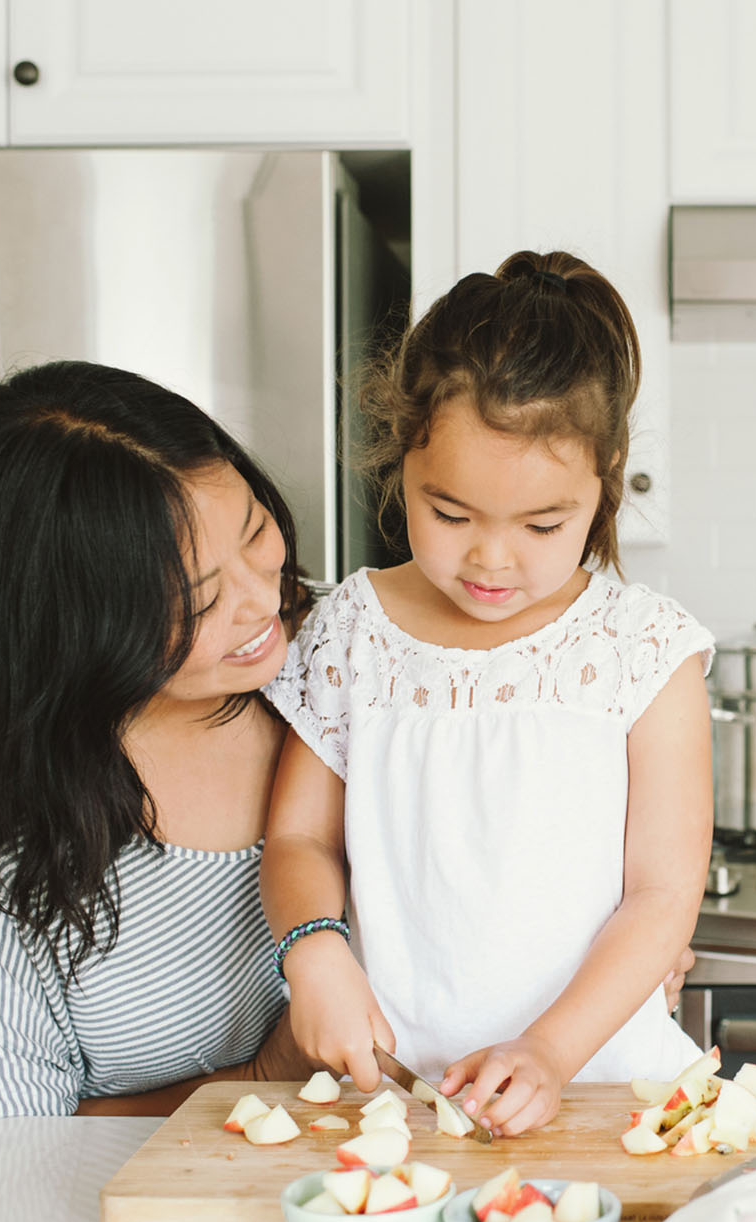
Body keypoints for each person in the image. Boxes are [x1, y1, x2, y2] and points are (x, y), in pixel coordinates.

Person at [0, 359, 696, 1118]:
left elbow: (581, 845)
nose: (263, 599)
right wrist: (267, 1074)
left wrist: (591, 978)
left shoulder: (365, 658)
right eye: (198, 598)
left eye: (252, 532)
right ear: (63, 630)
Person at [262, 250, 714, 1138]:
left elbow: (663, 895)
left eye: (543, 524)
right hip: (390, 1100)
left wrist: (547, 1051)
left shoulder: (646, 648)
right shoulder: (354, 627)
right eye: (451, 514)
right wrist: (312, 949)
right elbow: (298, 836)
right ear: (403, 461)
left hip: (601, 1092)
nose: (491, 560)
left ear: (606, 479)